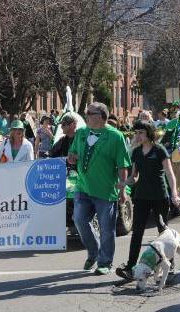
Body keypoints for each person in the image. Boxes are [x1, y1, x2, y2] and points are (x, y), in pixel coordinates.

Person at [68, 102, 131, 275]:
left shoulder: (115, 136)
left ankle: (105, 262)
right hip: (83, 187)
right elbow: (72, 155)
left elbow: (122, 165)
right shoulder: (81, 133)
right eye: (86, 112)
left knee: (107, 229)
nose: (86, 115)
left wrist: (123, 189)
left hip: (105, 190)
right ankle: (93, 251)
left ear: (101, 116)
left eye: (90, 113)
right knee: (79, 220)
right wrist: (72, 159)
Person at [115, 121, 180, 280]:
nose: (137, 136)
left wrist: (174, 193)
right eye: (136, 132)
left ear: (149, 133)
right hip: (141, 196)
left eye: (141, 133)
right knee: (137, 232)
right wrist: (124, 183)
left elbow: (170, 174)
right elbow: (134, 176)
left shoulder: (159, 150)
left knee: (163, 232)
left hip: (159, 195)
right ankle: (130, 267)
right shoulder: (136, 152)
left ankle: (170, 264)